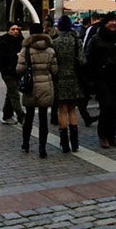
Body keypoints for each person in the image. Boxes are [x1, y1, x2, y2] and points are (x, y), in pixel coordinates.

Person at [87, 13, 116, 148]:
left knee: (115, 108)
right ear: (105, 23)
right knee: (106, 106)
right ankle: (103, 136)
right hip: (102, 77)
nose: (113, 23)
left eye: (115, 21)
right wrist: (90, 79)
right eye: (110, 21)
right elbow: (89, 59)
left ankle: (112, 135)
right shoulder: (96, 39)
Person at [17, 32, 59, 158]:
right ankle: (42, 148)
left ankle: (26, 143)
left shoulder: (26, 50)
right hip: (45, 85)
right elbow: (55, 70)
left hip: (30, 86)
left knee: (29, 116)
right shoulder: (50, 50)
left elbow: (19, 69)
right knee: (43, 118)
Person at [51, 15, 86, 154]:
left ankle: (64, 143)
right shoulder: (76, 41)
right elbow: (83, 61)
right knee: (73, 110)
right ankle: (75, 143)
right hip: (74, 78)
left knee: (62, 110)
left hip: (59, 79)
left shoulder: (54, 42)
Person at [0, 24, 26, 125]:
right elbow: (1, 57)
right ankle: (21, 116)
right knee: (14, 93)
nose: (16, 31)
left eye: (17, 29)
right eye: (13, 29)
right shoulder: (2, 41)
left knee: (11, 93)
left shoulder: (21, 40)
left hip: (18, 70)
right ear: (8, 30)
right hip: (7, 71)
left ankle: (7, 115)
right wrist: (15, 55)